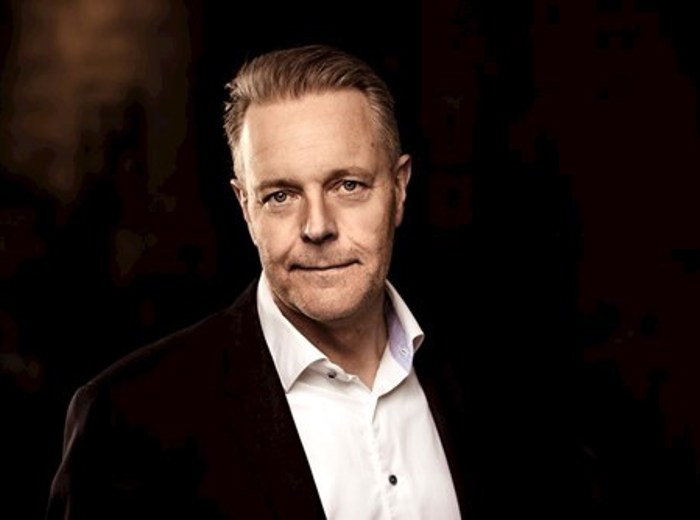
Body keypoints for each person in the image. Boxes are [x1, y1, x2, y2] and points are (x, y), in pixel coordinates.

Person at [46, 44, 469, 519]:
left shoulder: (494, 376)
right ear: (246, 207)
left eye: (348, 185)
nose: (317, 227)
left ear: (399, 188)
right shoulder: (126, 419)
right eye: (281, 196)